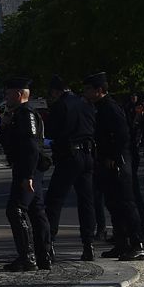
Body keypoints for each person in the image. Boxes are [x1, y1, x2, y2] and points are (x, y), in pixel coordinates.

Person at [85, 73, 144, 261]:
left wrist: (113, 156)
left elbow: (122, 134)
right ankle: (121, 242)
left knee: (126, 203)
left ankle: (137, 243)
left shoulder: (110, 108)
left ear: (99, 90)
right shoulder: (98, 107)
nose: (86, 92)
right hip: (106, 161)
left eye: (89, 89)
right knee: (113, 203)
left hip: (118, 162)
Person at [43, 75, 99, 262]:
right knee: (86, 202)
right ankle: (88, 244)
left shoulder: (61, 105)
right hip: (87, 154)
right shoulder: (85, 103)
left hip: (69, 156)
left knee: (54, 200)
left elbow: (52, 131)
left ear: (56, 91)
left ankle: (48, 242)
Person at [0, 77, 52, 271]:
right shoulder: (17, 114)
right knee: (36, 211)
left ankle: (28, 257)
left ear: (19, 94)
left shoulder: (26, 112)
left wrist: (27, 175)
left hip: (27, 168)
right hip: (25, 167)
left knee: (16, 210)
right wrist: (4, 126)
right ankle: (43, 255)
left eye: (8, 93)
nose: (6, 97)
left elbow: (31, 146)